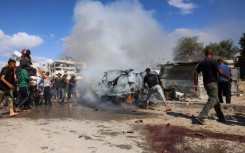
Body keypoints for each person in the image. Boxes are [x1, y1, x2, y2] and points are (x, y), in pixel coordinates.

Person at [194, 48, 231, 125]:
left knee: (216, 100)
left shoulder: (202, 62)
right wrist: (228, 77)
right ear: (212, 54)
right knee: (212, 99)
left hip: (206, 84)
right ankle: (201, 116)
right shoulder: (214, 62)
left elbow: (196, 72)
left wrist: (195, 83)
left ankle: (220, 116)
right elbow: (220, 71)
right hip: (212, 84)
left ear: (205, 54)